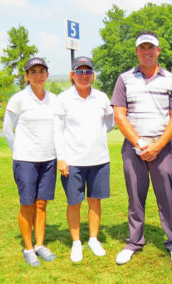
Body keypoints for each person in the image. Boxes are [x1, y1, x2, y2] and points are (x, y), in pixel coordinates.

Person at [111, 31, 172, 265]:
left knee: (167, 197)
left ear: (158, 51)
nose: (146, 52)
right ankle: (134, 242)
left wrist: (157, 145)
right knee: (135, 197)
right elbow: (119, 115)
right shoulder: (124, 79)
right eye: (142, 48)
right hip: (133, 147)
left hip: (162, 148)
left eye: (150, 47)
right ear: (136, 52)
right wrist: (140, 143)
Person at [54, 56, 114, 262]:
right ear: (72, 75)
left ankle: (93, 239)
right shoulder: (63, 99)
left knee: (95, 201)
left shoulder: (102, 98)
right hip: (73, 161)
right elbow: (57, 131)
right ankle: (76, 242)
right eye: (79, 72)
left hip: (99, 159)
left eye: (88, 71)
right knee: (74, 202)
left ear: (93, 75)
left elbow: (110, 121)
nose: (84, 75)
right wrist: (61, 157)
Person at [3, 57, 57, 266]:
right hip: (25, 160)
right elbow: (8, 131)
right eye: (32, 72)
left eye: (41, 71)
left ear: (47, 74)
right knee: (27, 204)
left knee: (41, 204)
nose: (37, 75)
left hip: (48, 159)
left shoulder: (54, 99)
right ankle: (28, 248)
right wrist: (19, 152)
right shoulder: (18, 99)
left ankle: (40, 245)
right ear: (26, 76)